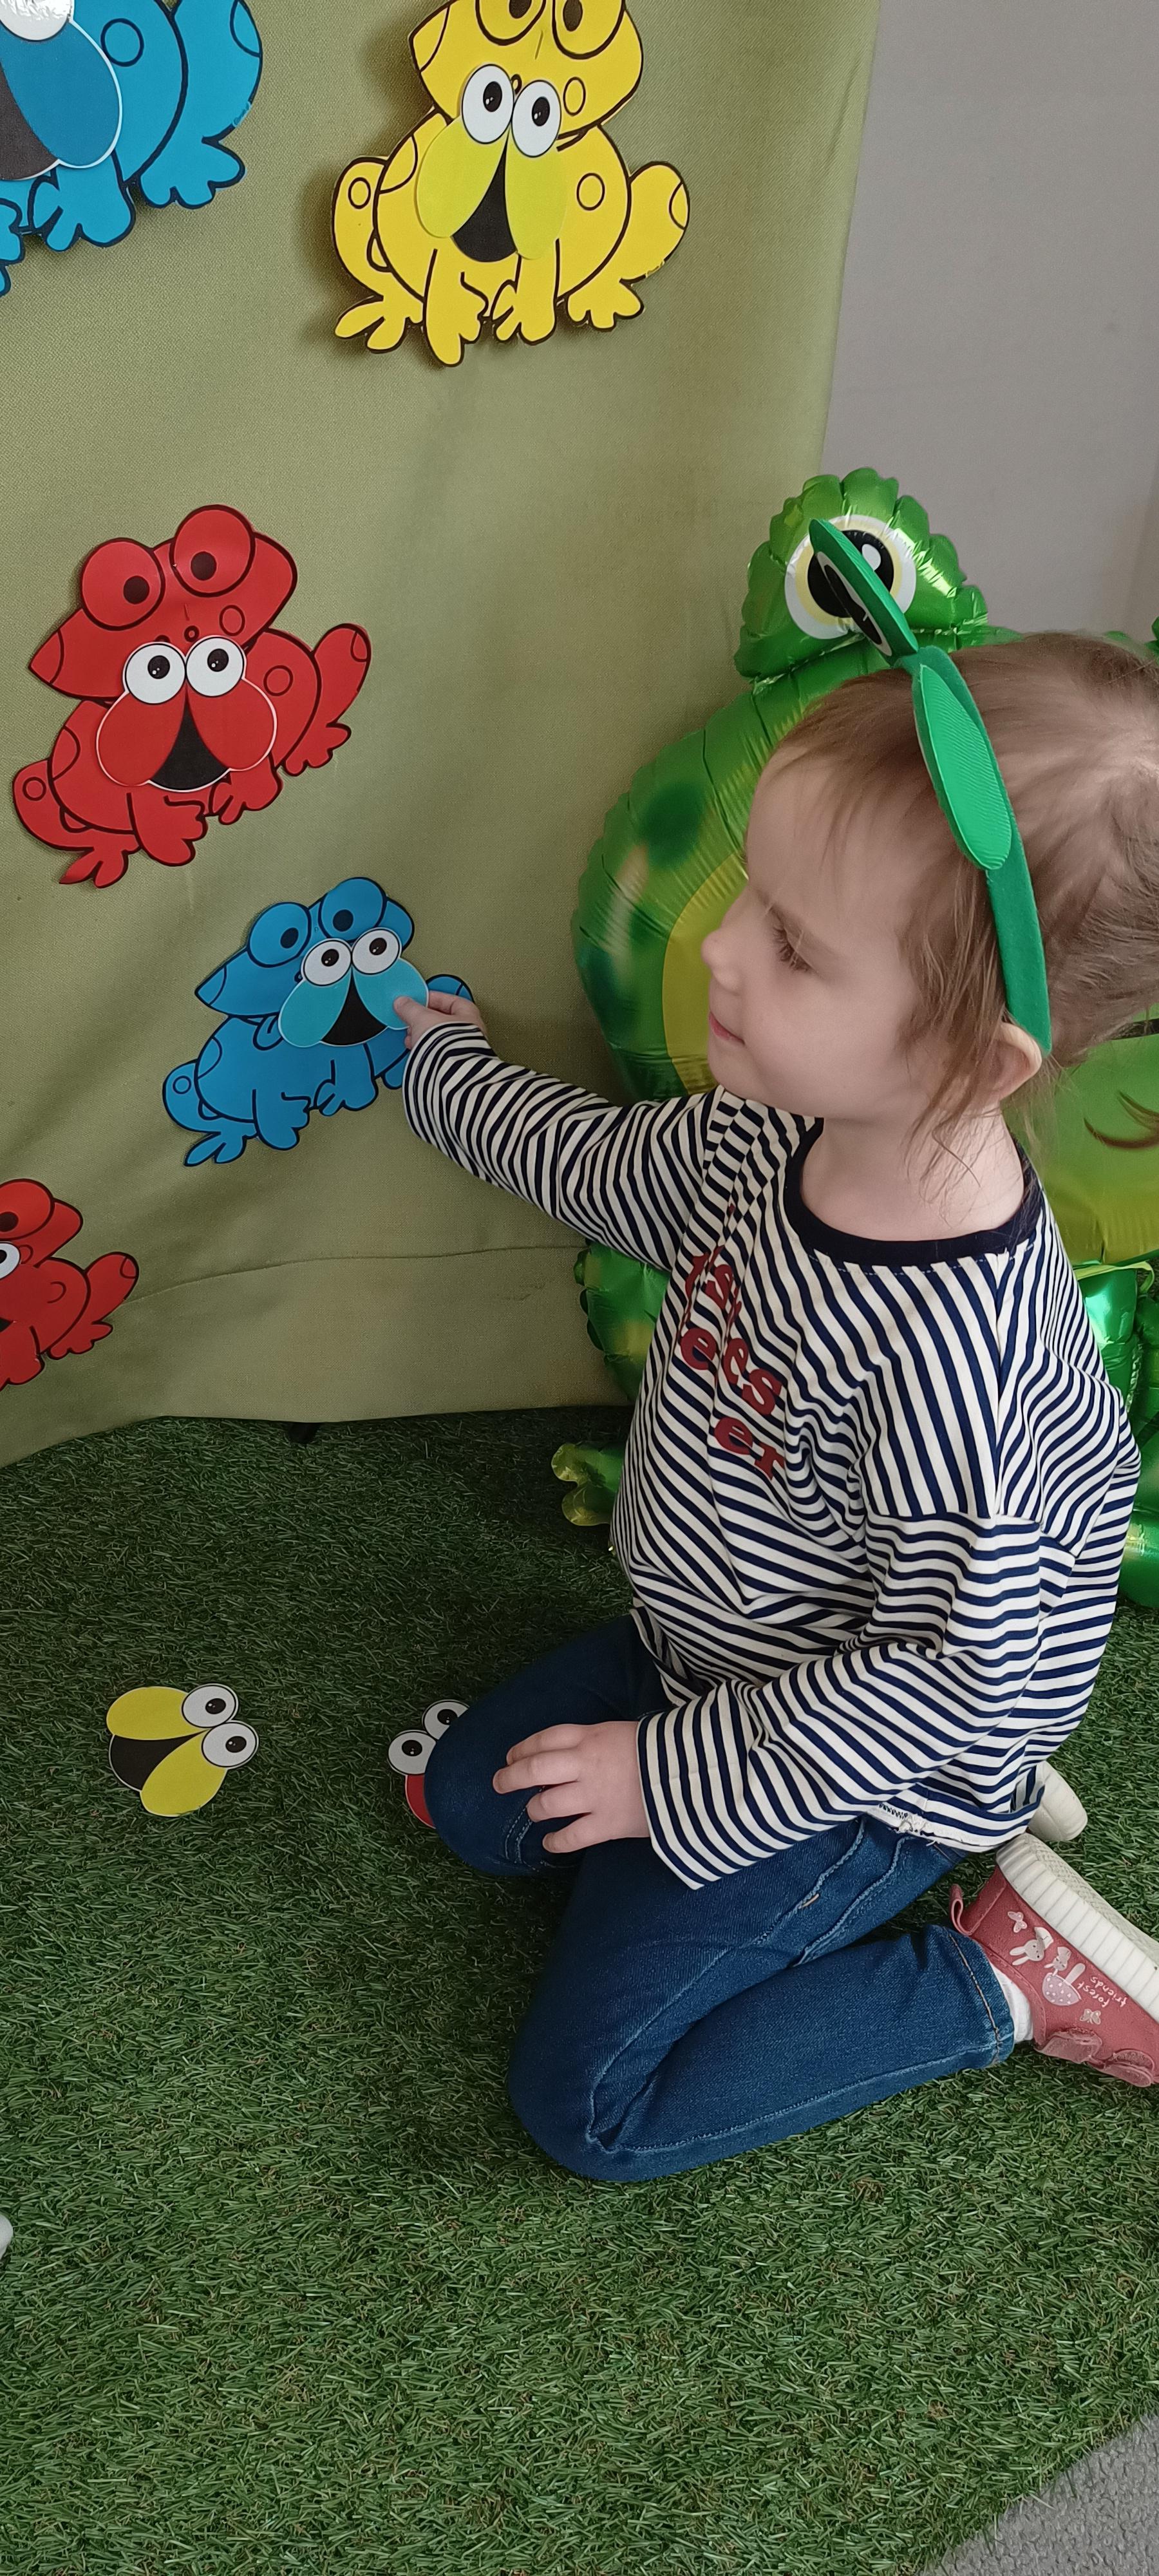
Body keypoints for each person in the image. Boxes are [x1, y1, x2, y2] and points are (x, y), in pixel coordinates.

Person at [394, 576, 1159, 2183]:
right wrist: (443, 1065)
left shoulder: (958, 1370)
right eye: (753, 892)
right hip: (713, 1648)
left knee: (591, 2110)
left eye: (798, 946)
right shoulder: (771, 1134)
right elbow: (605, 1164)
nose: (724, 950)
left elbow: (946, 1677)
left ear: (977, 1057)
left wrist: (665, 1776)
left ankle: (998, 1974)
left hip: (874, 1762)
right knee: (473, 1805)